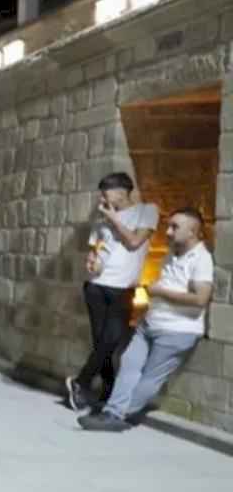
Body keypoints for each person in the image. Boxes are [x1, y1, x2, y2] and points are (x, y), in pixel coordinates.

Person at [79, 208, 213, 431]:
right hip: (150, 323)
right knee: (129, 364)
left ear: (192, 232)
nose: (168, 231)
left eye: (175, 227)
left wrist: (159, 292)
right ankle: (114, 411)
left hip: (177, 331)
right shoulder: (173, 252)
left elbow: (201, 299)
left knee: (150, 378)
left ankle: (116, 414)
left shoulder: (202, 259)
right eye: (169, 225)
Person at [67, 172, 159, 410]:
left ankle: (81, 381)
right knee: (102, 342)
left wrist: (114, 218)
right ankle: (106, 392)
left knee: (111, 339)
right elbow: (94, 251)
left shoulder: (147, 211)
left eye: (105, 192)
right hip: (96, 287)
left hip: (124, 289)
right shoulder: (101, 221)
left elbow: (134, 242)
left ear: (120, 192)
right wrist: (91, 262)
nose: (102, 198)